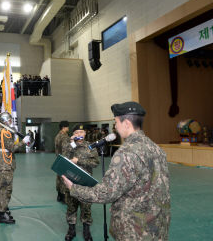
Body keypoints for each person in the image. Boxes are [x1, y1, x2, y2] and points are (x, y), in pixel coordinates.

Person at [62, 101, 171, 240]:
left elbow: (107, 193)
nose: (115, 126)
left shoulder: (126, 153)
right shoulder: (157, 148)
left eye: (116, 122)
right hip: (158, 226)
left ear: (126, 123)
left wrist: (74, 188)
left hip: (135, 230)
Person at [62, 124, 99, 241]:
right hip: (71, 182)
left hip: (86, 183)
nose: (79, 134)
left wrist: (79, 160)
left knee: (86, 207)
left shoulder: (90, 146)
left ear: (85, 133)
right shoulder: (69, 146)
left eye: (81, 132)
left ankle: (86, 231)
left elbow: (95, 163)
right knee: (71, 207)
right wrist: (71, 144)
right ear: (73, 134)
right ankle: (71, 230)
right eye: (76, 132)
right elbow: (63, 158)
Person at [0, 112, 30, 224]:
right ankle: (2, 213)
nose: (11, 122)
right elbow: (12, 148)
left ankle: (1, 209)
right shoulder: (5, 132)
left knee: (1, 187)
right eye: (9, 120)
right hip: (5, 163)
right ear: (5, 121)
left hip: (0, 162)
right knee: (6, 188)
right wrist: (23, 142)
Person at [54, 120, 70, 203]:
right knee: (64, 179)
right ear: (64, 127)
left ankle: (59, 196)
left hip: (58, 159)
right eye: (67, 127)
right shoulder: (64, 136)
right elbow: (65, 150)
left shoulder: (58, 135)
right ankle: (64, 197)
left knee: (59, 178)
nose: (68, 128)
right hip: (64, 159)